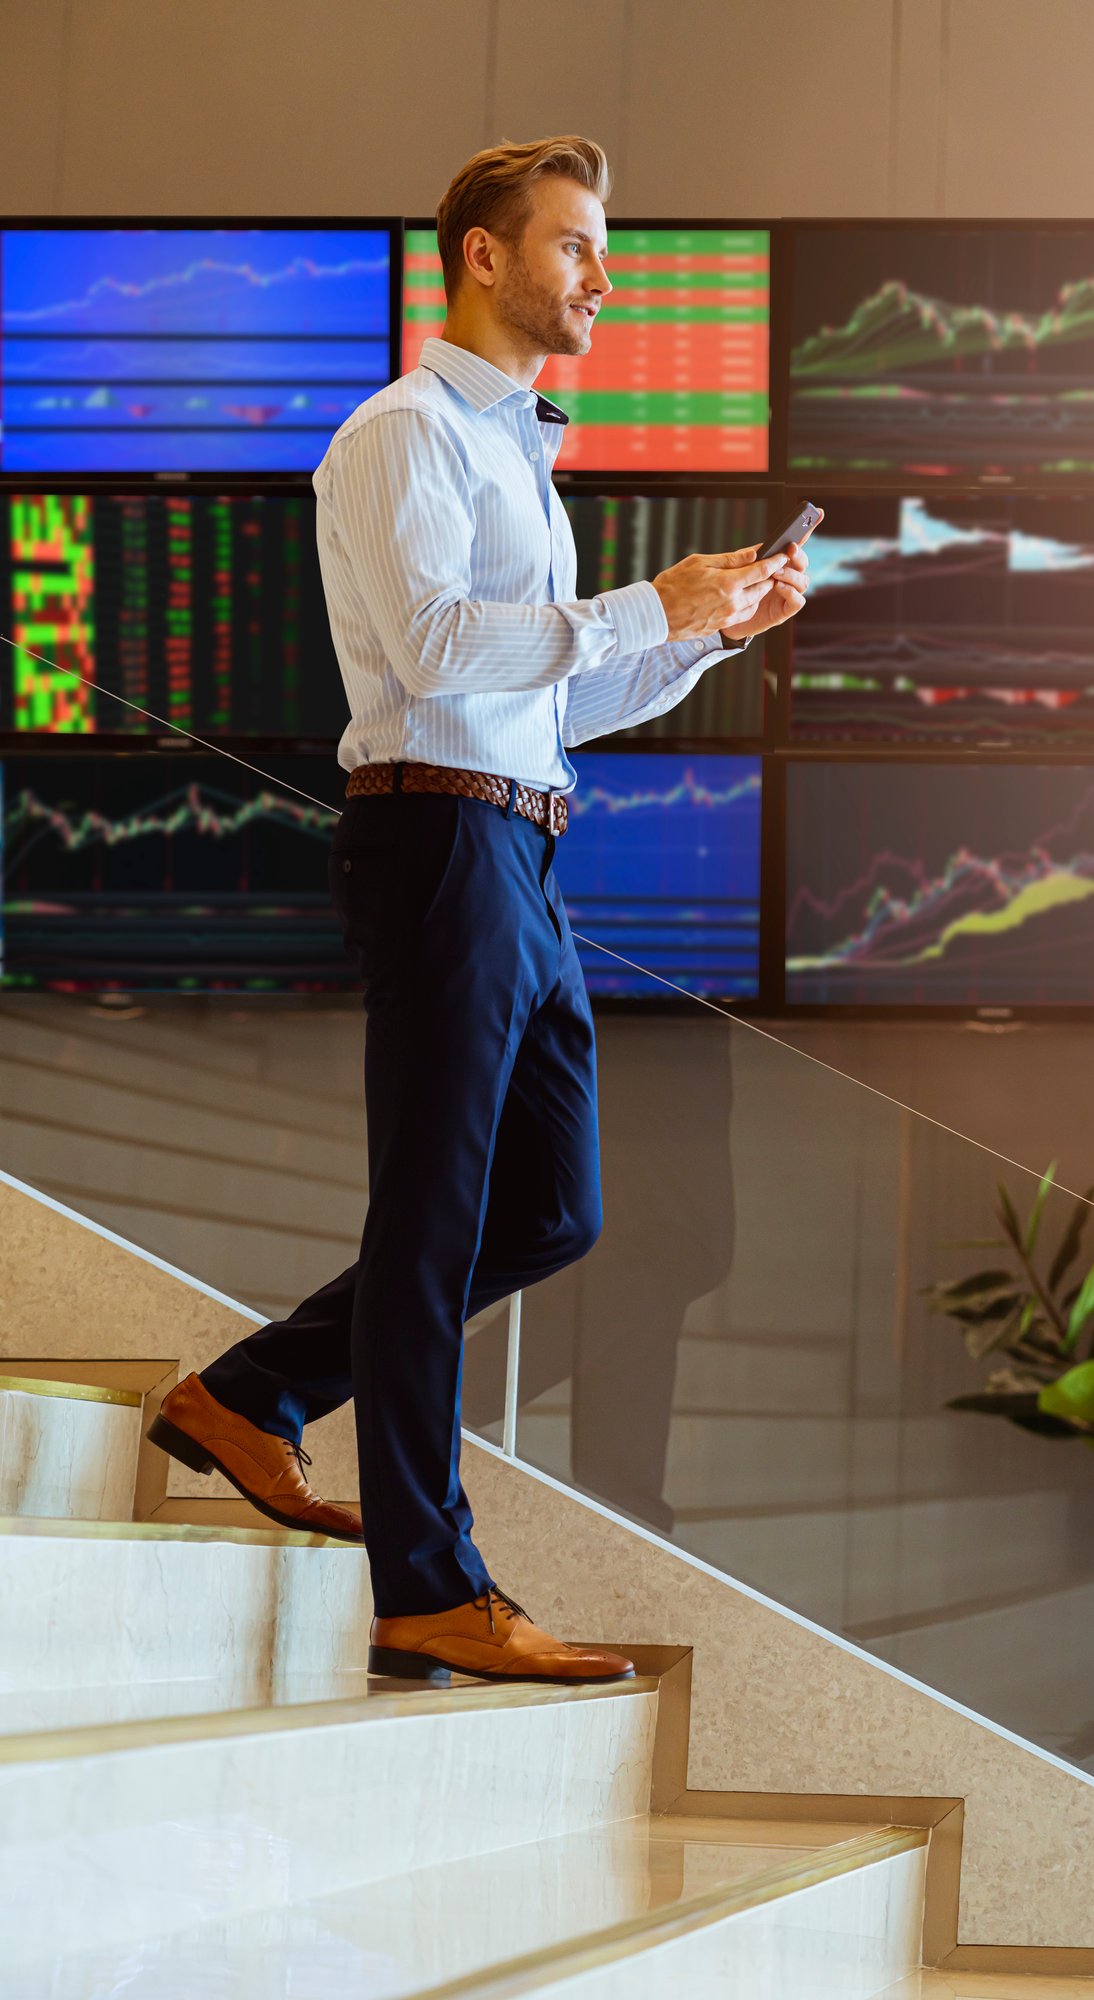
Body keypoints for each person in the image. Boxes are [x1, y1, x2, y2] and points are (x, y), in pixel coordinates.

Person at [147, 134, 815, 1687]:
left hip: (518, 845)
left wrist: (708, 631)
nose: (600, 274)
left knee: (552, 1209)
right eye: (575, 244)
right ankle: (427, 1586)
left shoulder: (517, 452)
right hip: (437, 840)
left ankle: (247, 1394)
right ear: (484, 257)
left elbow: (556, 702)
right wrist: (647, 603)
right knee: (437, 1215)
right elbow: (442, 653)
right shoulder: (400, 435)